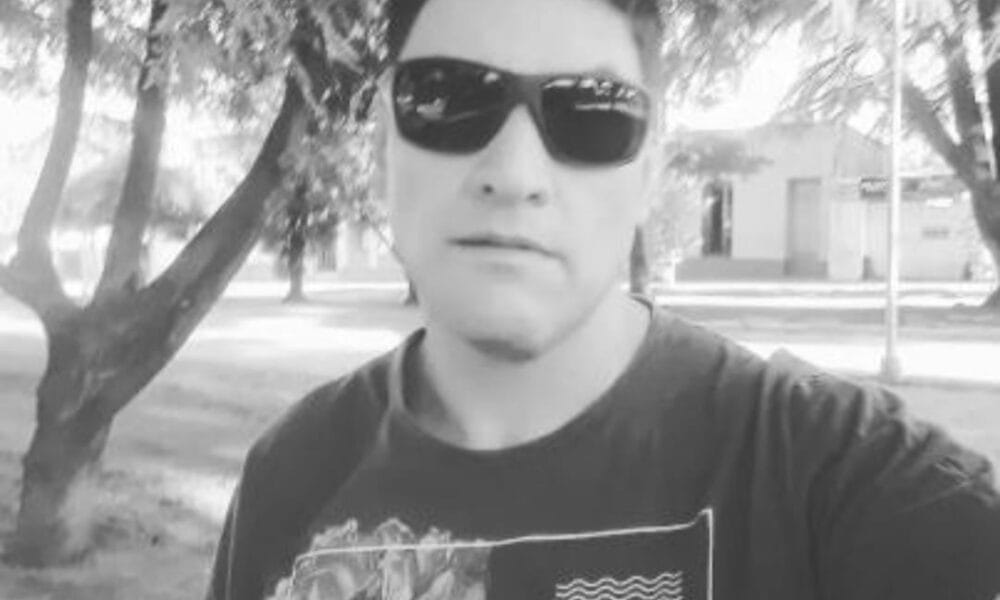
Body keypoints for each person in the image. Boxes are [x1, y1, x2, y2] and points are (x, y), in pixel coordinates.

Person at [207, 0, 1000, 598]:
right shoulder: (290, 475)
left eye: (591, 114)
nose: (513, 173)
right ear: (384, 141)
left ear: (651, 170)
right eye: (447, 97)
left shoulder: (832, 480)